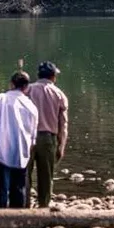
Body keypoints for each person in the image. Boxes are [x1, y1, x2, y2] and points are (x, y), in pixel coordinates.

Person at [0, 71, 38, 208]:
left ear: (11, 84)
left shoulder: (2, 99)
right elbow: (33, 135)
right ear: (26, 88)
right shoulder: (32, 107)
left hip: (1, 148)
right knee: (18, 188)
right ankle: (17, 217)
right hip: (22, 152)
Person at [26, 61, 69, 208]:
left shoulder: (27, 90)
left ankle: (23, 206)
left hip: (27, 138)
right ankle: (43, 206)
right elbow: (63, 124)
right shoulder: (59, 94)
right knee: (46, 176)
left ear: (38, 75)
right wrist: (61, 145)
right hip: (48, 139)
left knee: (24, 173)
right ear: (53, 76)